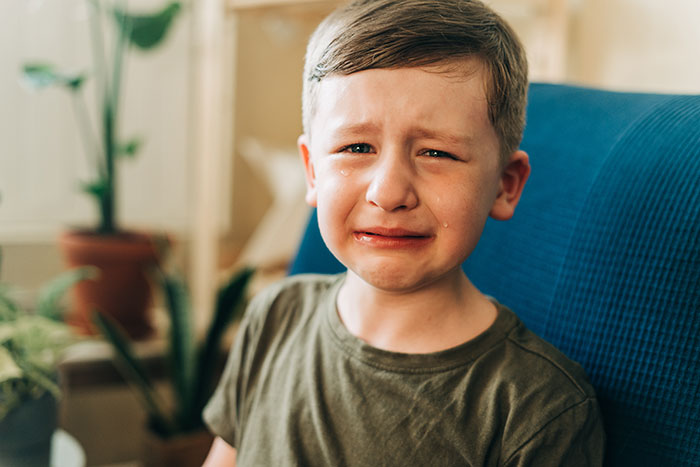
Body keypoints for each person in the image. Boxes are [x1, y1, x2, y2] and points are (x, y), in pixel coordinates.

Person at [203, 0, 605, 465]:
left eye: (436, 153)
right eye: (356, 147)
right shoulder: (273, 319)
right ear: (312, 173)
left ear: (505, 185)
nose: (389, 192)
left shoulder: (538, 408)